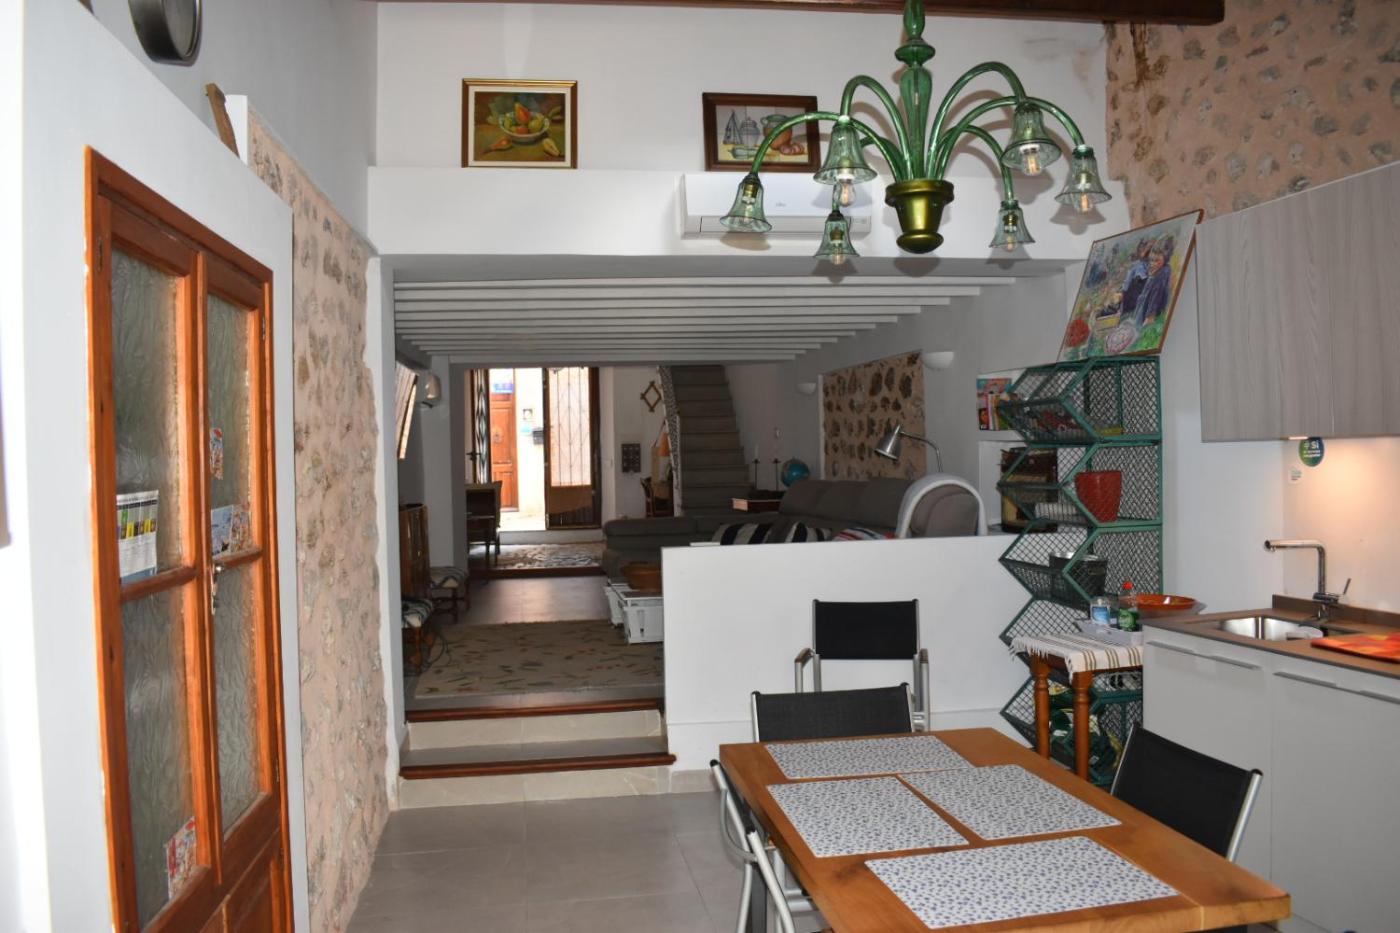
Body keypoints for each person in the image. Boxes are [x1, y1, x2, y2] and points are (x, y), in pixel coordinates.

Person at [1133, 239, 1176, 327]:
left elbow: (1156, 296)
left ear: (1165, 259)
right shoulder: (1156, 271)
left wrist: (1150, 316)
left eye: (1157, 260)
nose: (1153, 263)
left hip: (1149, 316)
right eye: (1151, 260)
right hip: (1143, 311)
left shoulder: (1162, 275)